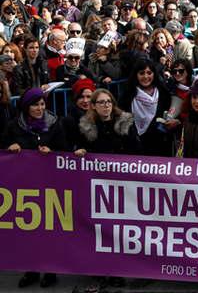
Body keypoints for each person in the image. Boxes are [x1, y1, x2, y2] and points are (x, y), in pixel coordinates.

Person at [1, 87, 66, 289]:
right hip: (25, 188)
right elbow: (3, 146)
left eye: (42, 104)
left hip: (50, 187)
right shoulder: (14, 126)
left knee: (50, 230)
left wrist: (52, 152)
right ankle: (31, 270)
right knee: (28, 231)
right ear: (25, 107)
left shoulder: (55, 124)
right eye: (34, 104)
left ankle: (50, 270)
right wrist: (11, 148)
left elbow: (65, 150)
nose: (39, 108)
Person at [119, 59, 173, 156]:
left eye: (149, 73)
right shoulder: (128, 93)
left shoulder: (162, 92)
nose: (146, 76)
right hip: (135, 143)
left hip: (158, 143)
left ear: (154, 74)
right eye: (141, 73)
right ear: (136, 75)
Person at [75, 89, 139, 155]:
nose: (107, 105)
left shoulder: (125, 123)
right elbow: (82, 147)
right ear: (93, 106)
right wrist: (82, 151)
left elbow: (136, 149)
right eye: (102, 102)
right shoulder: (86, 127)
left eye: (109, 101)